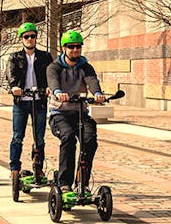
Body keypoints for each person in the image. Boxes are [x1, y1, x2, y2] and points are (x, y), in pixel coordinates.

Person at [46, 30, 105, 193]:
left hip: (80, 113)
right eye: (71, 47)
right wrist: (58, 92)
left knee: (90, 140)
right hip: (59, 114)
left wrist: (98, 94)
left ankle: (82, 182)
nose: (75, 50)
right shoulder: (54, 67)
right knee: (69, 138)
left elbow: (92, 81)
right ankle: (64, 183)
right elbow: (53, 81)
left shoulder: (85, 67)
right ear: (64, 48)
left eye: (78, 47)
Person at [7, 22, 52, 182]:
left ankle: (38, 168)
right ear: (21, 39)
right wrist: (14, 87)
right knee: (18, 136)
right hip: (21, 101)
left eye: (32, 36)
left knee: (39, 138)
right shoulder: (14, 57)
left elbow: (51, 75)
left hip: (39, 101)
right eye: (26, 36)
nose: (30, 39)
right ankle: (14, 168)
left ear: (36, 38)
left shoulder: (45, 56)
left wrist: (49, 87)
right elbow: (10, 74)